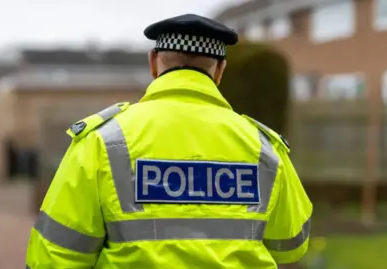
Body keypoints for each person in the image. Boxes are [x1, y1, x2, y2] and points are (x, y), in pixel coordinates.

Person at [25, 13, 312, 269]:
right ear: (220, 70)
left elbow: (54, 257)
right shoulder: (264, 147)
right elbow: (291, 245)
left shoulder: (103, 140)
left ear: (153, 61)